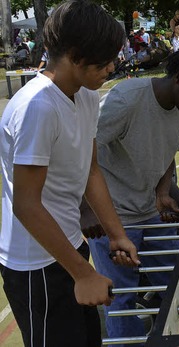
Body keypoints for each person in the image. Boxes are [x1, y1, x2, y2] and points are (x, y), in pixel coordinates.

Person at [0, 1, 140, 346]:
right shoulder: (38, 107)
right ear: (76, 56)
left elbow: (90, 170)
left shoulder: (87, 94)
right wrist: (83, 275)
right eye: (105, 59)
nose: (112, 66)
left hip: (70, 246)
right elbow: (27, 205)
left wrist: (116, 234)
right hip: (35, 264)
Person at [81, 46, 179, 345]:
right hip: (112, 218)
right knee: (120, 301)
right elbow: (83, 152)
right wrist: (86, 209)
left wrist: (162, 192)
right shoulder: (126, 99)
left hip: (150, 211)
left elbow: (168, 150)